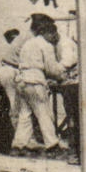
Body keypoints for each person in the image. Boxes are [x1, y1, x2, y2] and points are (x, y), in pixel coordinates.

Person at [10, 14, 67, 155]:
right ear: (48, 33)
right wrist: (61, 74)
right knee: (43, 113)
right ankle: (52, 145)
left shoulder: (28, 43)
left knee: (25, 114)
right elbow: (51, 68)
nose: (54, 37)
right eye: (53, 34)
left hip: (21, 80)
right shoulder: (46, 45)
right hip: (35, 81)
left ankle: (18, 145)